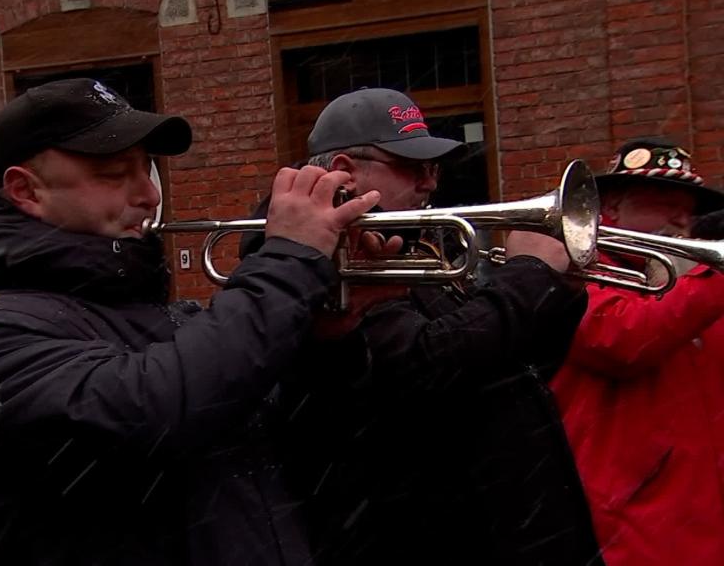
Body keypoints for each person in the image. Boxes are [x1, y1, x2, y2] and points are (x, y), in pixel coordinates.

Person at [0, 77, 379, 565]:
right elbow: (152, 410)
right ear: (25, 190)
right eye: (113, 173)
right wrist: (288, 262)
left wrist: (328, 333)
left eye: (146, 169)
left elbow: (283, 437)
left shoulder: (140, 306)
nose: (149, 194)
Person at [242, 88, 604, 565]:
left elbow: (513, 365)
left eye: (433, 168)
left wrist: (562, 292)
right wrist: (531, 276)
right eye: (413, 167)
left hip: (507, 522)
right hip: (429, 533)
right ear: (347, 170)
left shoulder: (417, 245)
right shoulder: (325, 258)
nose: (430, 183)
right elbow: (421, 365)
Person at [550, 137, 724, 566]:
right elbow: (625, 341)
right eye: (662, 201)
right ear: (610, 211)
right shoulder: (578, 277)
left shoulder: (695, 281)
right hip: (638, 522)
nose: (682, 218)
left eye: (689, 207)